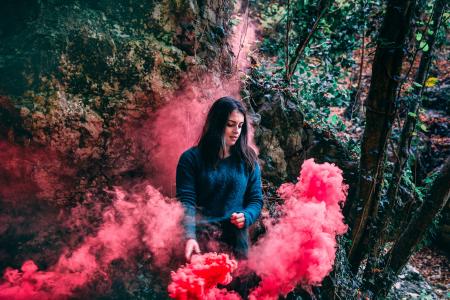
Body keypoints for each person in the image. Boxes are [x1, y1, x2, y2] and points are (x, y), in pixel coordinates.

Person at [176, 96, 263, 262]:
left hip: (236, 242)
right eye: (230, 124)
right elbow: (186, 202)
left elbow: (256, 199)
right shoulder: (190, 159)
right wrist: (189, 236)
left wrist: (247, 216)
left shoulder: (248, 159)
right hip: (201, 239)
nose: (237, 131)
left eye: (240, 125)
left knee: (237, 287)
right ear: (216, 124)